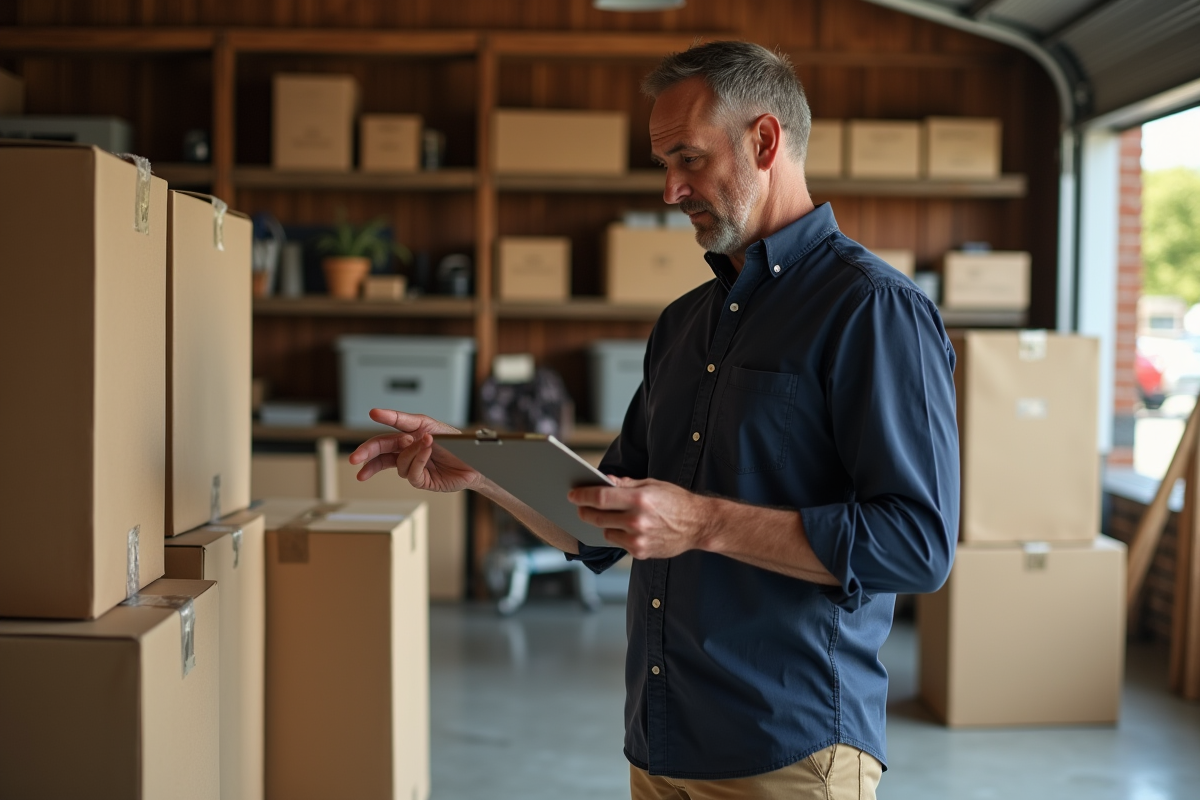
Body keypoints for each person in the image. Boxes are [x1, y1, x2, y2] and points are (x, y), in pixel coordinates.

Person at [350, 40, 959, 800]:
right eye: (663, 165)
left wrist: (701, 522)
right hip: (663, 741)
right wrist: (487, 473)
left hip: (789, 753)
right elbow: (608, 516)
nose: (671, 190)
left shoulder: (872, 310)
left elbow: (918, 545)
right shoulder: (683, 326)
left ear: (765, 141)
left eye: (689, 160)